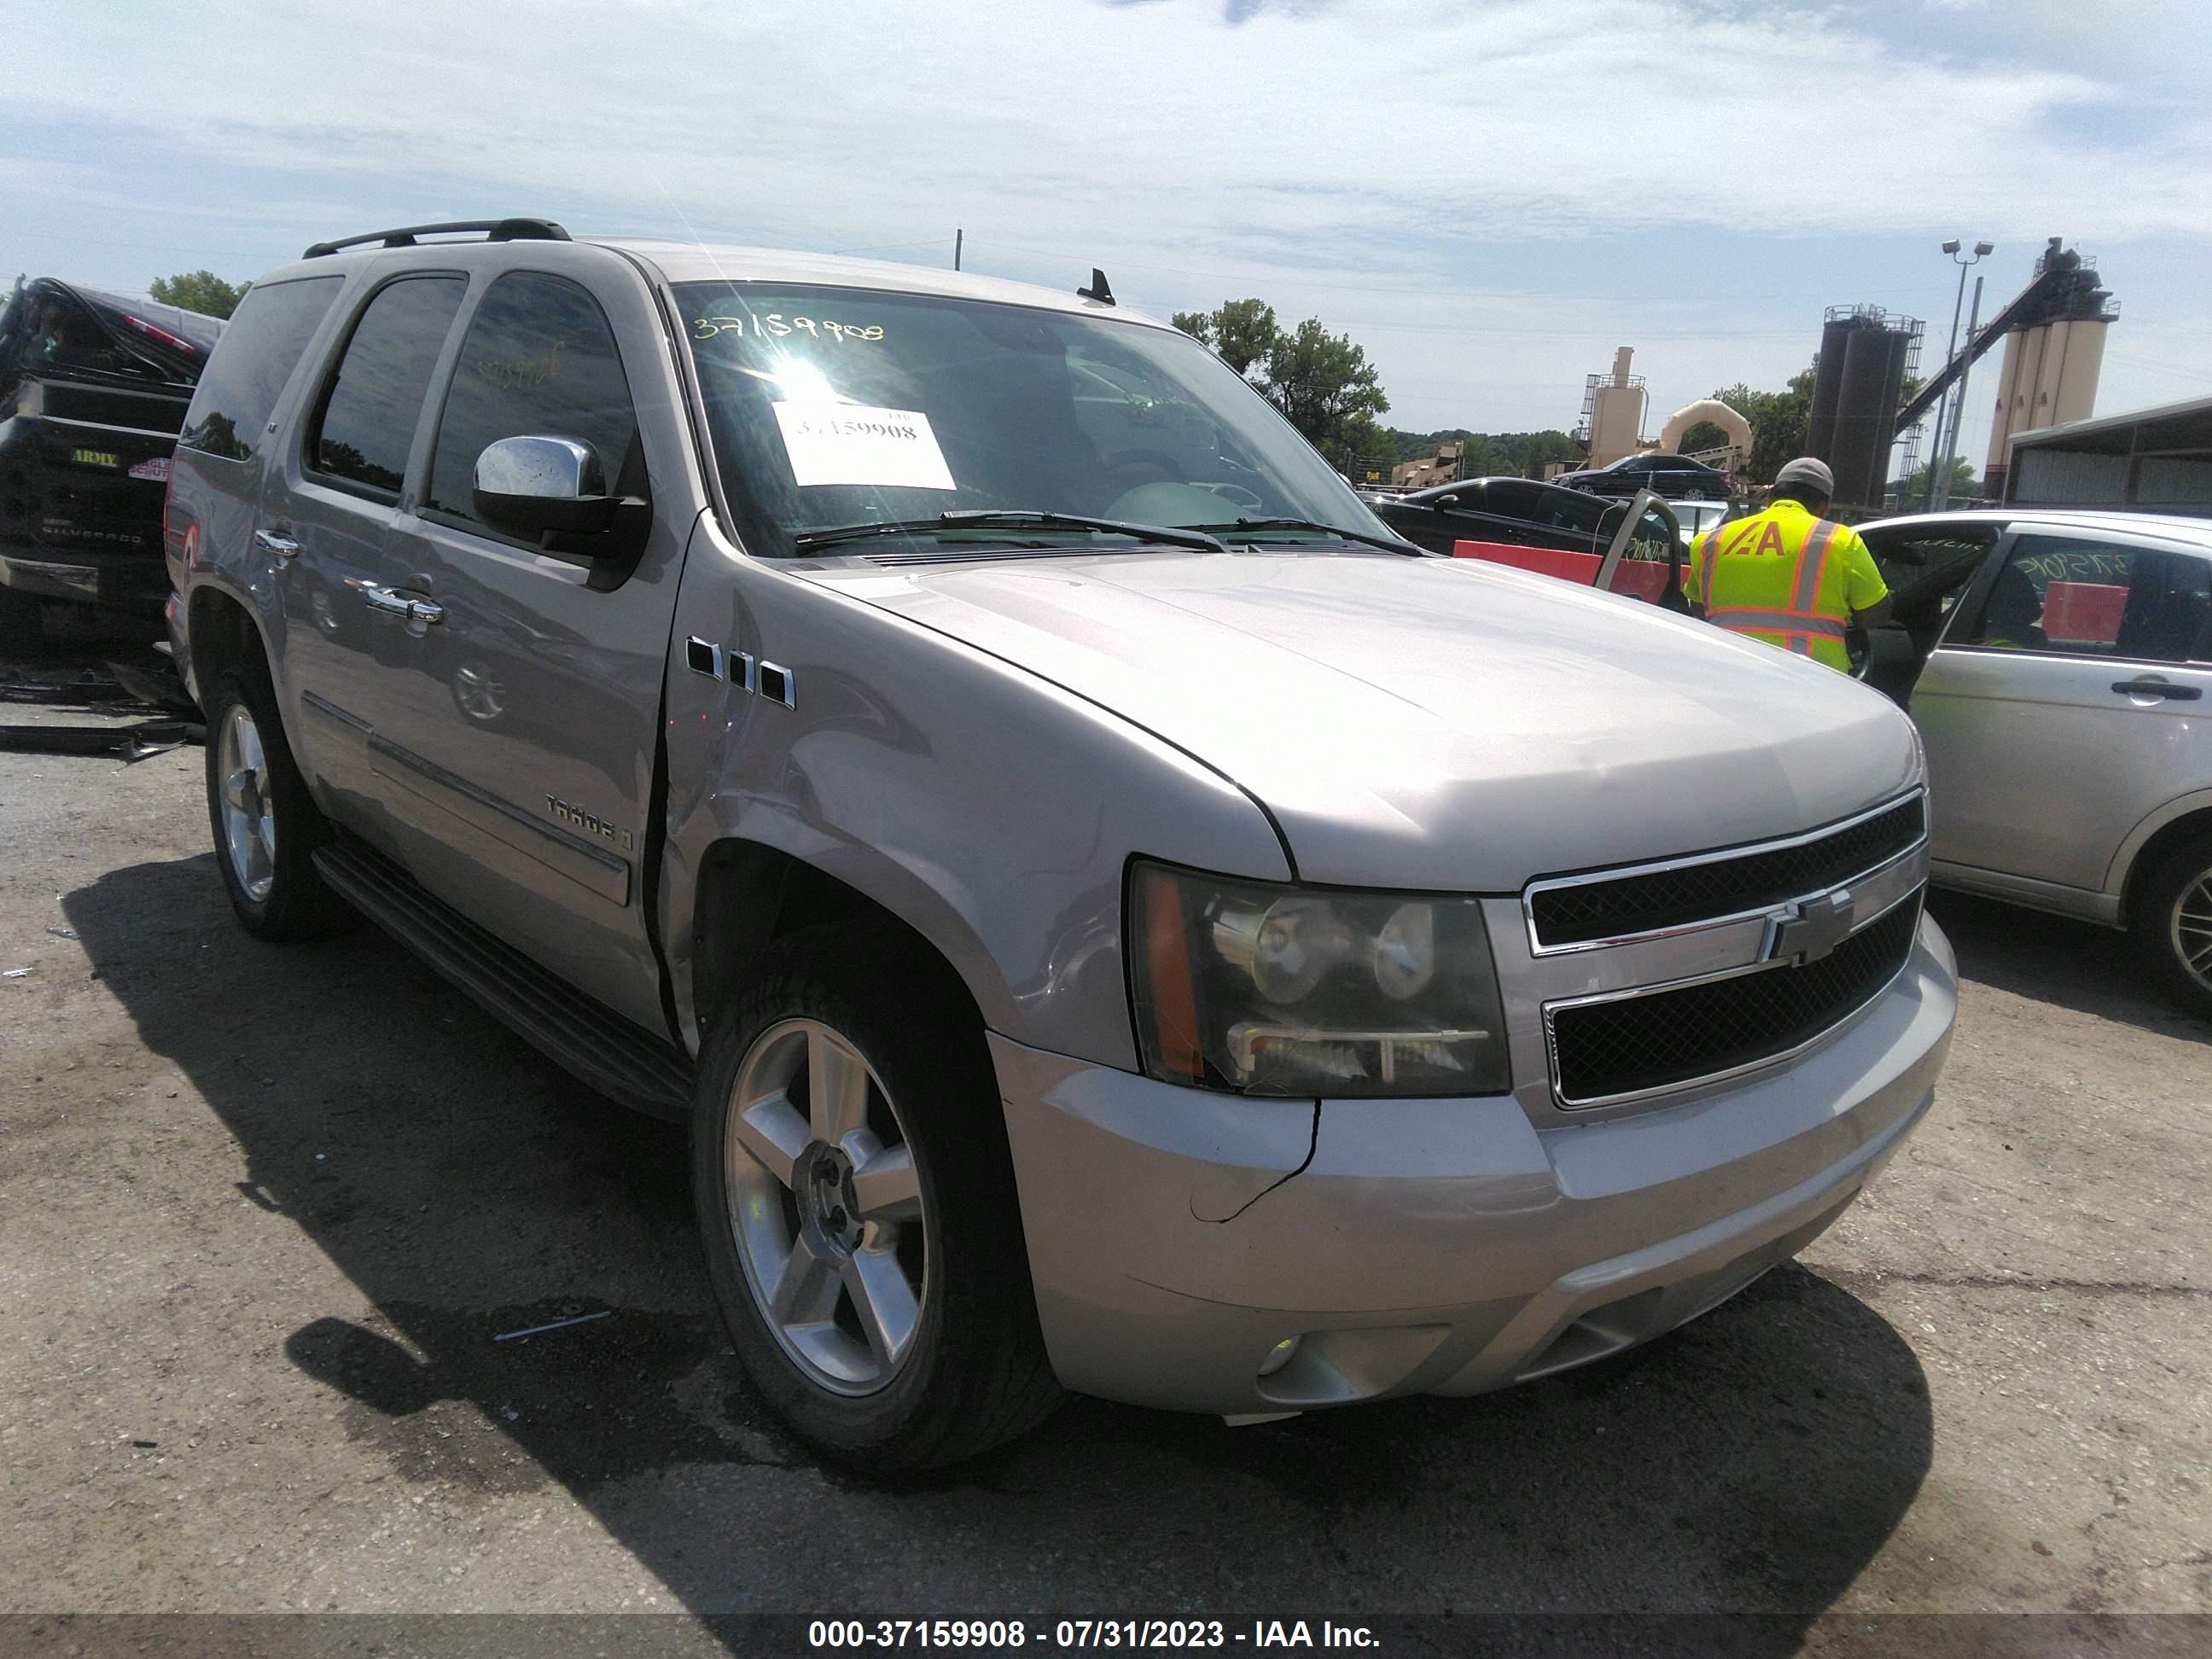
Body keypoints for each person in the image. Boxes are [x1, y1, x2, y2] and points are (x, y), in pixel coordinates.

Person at [1685, 457, 1891, 672]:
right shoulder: (1841, 540)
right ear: (1823, 507)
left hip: (1724, 671)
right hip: (1812, 681)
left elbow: (1699, 608)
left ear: (1770, 497)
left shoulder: (1710, 541)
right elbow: (1875, 613)